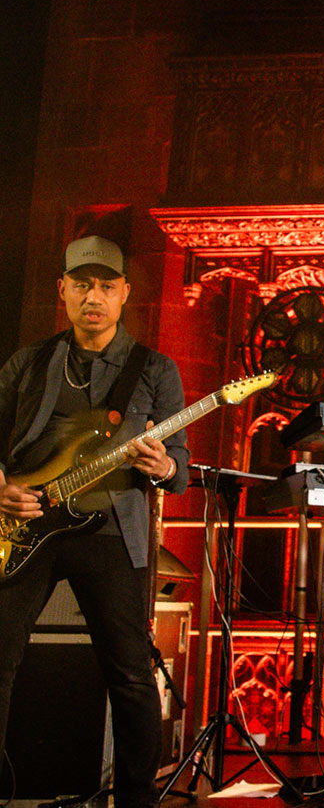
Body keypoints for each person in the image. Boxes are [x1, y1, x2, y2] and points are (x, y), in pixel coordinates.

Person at [0, 236, 189, 808]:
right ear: (62, 289)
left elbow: (179, 469)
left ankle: (135, 800)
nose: (94, 297)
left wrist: (162, 465)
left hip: (111, 534)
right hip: (26, 528)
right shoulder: (29, 362)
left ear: (125, 293)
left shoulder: (154, 369)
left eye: (107, 286)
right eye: (82, 285)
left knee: (130, 675)